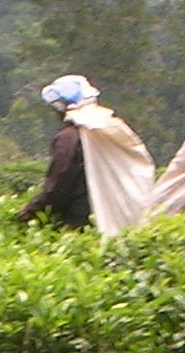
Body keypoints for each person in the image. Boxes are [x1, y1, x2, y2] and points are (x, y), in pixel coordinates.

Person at [16, 75, 155, 236]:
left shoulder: (68, 138)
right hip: (122, 218)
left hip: (81, 223)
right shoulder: (113, 128)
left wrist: (31, 211)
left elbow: (58, 186)